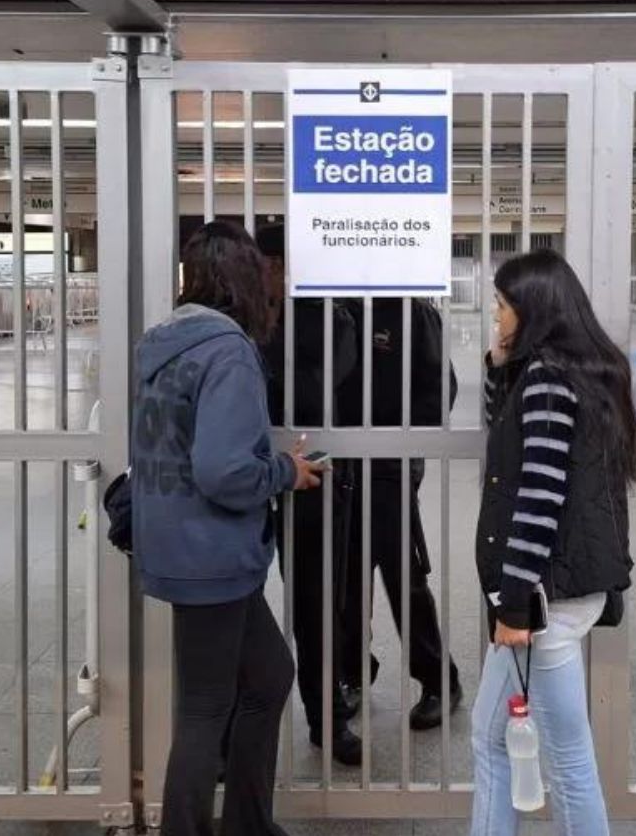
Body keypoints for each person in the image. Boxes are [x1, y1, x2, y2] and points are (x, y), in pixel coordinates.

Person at [129, 220, 325, 836]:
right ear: (243, 280)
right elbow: (222, 470)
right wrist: (285, 472)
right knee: (205, 708)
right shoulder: (229, 351)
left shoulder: (162, 341)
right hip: (212, 553)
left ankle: (248, 823)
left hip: (178, 543)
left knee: (269, 678)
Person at [471, 249, 636, 836]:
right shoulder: (583, 370)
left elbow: (538, 495)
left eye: (503, 304)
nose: (496, 313)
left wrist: (515, 602)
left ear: (534, 308)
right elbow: (512, 441)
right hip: (566, 590)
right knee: (500, 738)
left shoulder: (548, 379)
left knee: (560, 758)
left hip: (544, 600)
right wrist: (498, 369)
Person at [256, 223, 367, 766]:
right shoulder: (243, 322)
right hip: (251, 472)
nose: (269, 274)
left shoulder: (332, 317)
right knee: (239, 603)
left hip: (315, 473)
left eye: (274, 263)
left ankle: (328, 719)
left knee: (318, 603)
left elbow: (329, 388)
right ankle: (234, 729)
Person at [338, 296, 464, 731]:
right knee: (347, 576)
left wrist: (403, 444)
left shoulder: (413, 312)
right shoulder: (337, 306)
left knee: (402, 575)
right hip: (338, 459)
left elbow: (438, 390)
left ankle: (439, 681)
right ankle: (352, 672)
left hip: (392, 461)